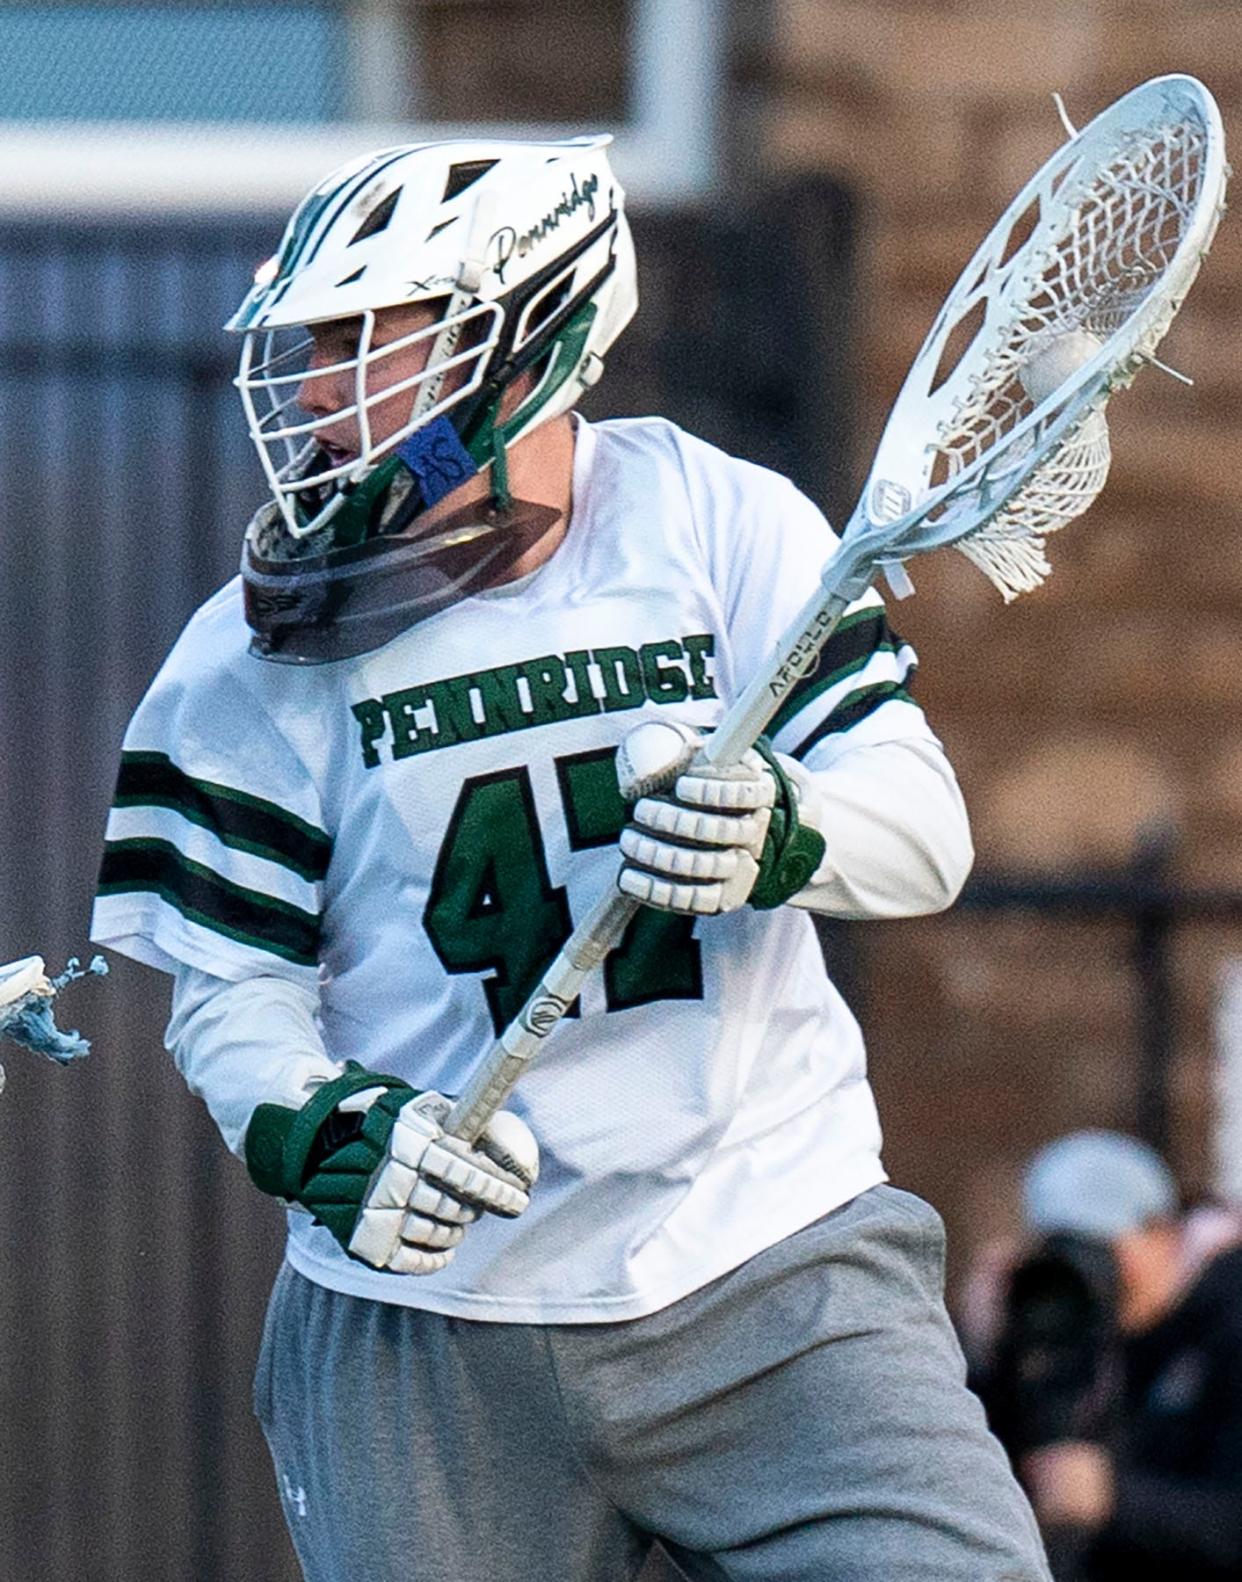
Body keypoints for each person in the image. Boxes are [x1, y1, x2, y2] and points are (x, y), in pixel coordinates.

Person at [90, 136, 1050, 1582]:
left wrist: (779, 827)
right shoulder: (250, 653)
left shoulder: (714, 526)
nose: (312, 392)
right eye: (308, 345)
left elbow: (923, 835)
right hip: (428, 1320)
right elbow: (229, 995)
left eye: (366, 340)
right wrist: (331, 1126)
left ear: (526, 336)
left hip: (768, 1259)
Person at [973, 1130, 1242, 1581]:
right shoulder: (1081, 1332)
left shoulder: (1228, 1327)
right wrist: (993, 1351)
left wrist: (1114, 1498)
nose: (1089, 1278)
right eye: (1065, 1253)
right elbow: (984, 1471)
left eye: (1101, 1252)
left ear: (1162, 1234)